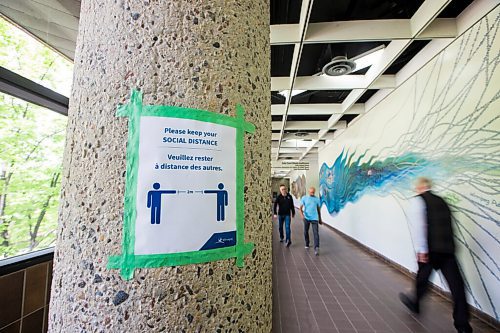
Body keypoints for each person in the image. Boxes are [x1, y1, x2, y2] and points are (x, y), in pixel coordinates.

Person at [399, 177, 472, 333]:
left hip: (430, 251)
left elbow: (419, 226)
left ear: (419, 187)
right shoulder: (443, 201)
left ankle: (415, 303)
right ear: (429, 187)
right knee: (457, 287)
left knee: (422, 280)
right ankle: (463, 325)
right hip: (447, 251)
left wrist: (422, 250)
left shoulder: (418, 201)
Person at [299, 186, 322, 256]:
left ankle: (316, 247)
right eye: (311, 192)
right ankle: (307, 243)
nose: (312, 193)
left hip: (314, 218)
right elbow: (300, 208)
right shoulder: (304, 198)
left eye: (313, 192)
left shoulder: (317, 199)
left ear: (314, 192)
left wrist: (320, 219)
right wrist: (302, 215)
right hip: (306, 218)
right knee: (305, 231)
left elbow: (318, 210)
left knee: (316, 233)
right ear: (308, 192)